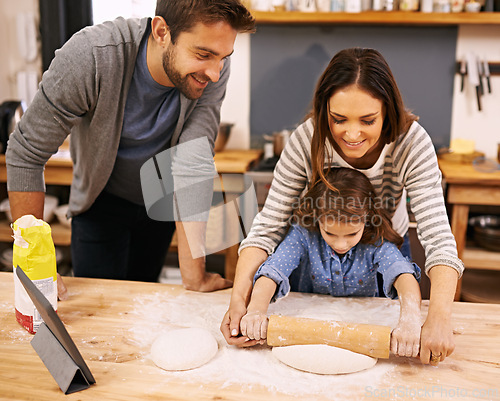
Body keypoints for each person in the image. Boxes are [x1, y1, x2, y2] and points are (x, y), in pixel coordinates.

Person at [221, 47, 464, 366]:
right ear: (324, 112)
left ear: (387, 110)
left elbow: (438, 241)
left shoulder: (411, 144)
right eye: (338, 119)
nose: (351, 134)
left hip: (384, 249)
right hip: (315, 259)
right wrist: (241, 300)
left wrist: (438, 318)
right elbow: (268, 229)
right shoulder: (307, 140)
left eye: (368, 120)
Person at [6, 0, 255, 297]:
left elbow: (193, 161)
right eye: (204, 55)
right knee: (97, 312)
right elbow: (26, 153)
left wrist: (195, 276)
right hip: (100, 203)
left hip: (157, 205)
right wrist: (34, 263)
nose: (215, 73)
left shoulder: (212, 70)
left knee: (142, 303)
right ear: (161, 31)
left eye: (224, 57)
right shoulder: (92, 57)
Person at [240, 167, 422, 358]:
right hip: (308, 320)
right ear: (317, 217)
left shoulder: (375, 241)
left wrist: (410, 320)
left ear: (367, 218)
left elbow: (402, 274)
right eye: (330, 233)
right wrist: (256, 311)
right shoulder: (304, 236)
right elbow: (274, 270)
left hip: (362, 321)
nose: (341, 244)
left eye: (352, 233)